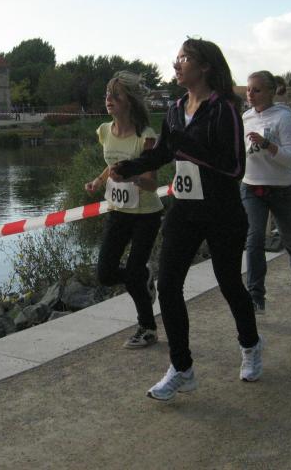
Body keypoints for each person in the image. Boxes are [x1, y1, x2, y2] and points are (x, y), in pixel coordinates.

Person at [111, 38, 263, 401]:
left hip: (222, 213)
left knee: (229, 283)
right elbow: (165, 152)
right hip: (185, 210)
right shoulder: (177, 109)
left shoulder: (224, 109)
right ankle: (182, 369)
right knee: (167, 286)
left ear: (205, 66)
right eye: (177, 58)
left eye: (184, 58)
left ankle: (251, 345)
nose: (176, 64)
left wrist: (188, 146)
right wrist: (129, 167)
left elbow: (234, 167)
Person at [84, 71, 163, 349]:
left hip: (146, 215)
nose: (109, 99)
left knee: (131, 271)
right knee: (105, 274)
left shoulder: (146, 137)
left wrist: (132, 176)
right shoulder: (104, 131)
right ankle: (144, 277)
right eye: (107, 94)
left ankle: (148, 328)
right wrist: (98, 180)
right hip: (118, 211)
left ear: (130, 101)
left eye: (116, 95)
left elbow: (152, 184)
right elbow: (113, 164)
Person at [241, 73, 291, 316]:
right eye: (248, 89)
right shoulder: (246, 117)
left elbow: (290, 159)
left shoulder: (283, 117)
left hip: (281, 188)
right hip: (252, 186)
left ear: (271, 91)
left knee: (288, 235)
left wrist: (267, 144)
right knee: (254, 238)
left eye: (256, 90)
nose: (250, 94)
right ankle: (256, 295)